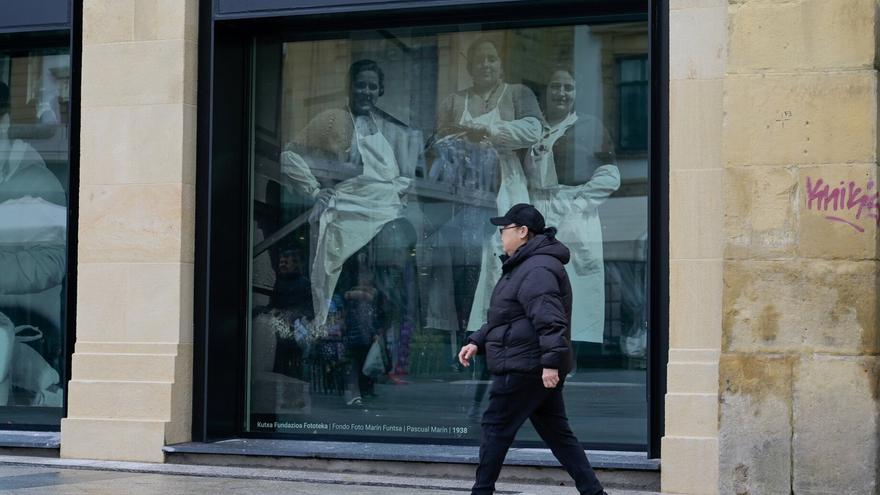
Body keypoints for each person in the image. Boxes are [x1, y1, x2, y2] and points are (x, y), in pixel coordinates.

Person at [279, 59, 422, 404]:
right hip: (346, 221)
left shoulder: (385, 127)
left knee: (387, 302)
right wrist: (314, 190)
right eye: (361, 85)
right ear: (350, 86)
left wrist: (401, 193)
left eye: (373, 86)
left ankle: (368, 375)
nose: (366, 92)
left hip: (384, 218)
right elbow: (289, 156)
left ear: (380, 90)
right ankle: (349, 384)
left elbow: (398, 177)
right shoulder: (332, 119)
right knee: (348, 307)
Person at [458, 203, 607, 495]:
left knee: (495, 427)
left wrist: (550, 363)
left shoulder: (537, 268)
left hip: (524, 366)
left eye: (504, 229)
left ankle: (481, 491)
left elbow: (551, 321)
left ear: (523, 232)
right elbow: (507, 316)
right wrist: (477, 340)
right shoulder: (524, 266)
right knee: (558, 434)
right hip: (531, 365)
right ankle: (593, 492)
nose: (501, 235)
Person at [524, 68, 620, 347]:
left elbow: (610, 175)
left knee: (572, 287)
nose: (561, 93)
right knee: (534, 285)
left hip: (572, 209)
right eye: (555, 86)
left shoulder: (589, 126)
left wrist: (578, 207)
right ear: (545, 91)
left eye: (568, 87)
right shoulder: (532, 128)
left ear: (576, 93)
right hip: (536, 207)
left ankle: (568, 356)